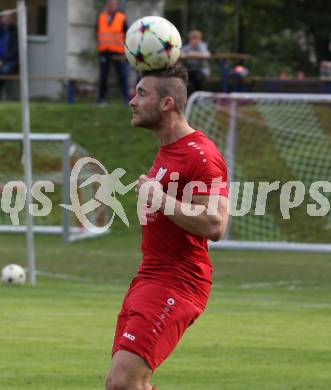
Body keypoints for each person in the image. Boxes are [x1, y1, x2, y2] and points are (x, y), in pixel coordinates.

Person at [105, 64, 229, 390]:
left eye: (142, 94)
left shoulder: (201, 155)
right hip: (150, 276)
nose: (132, 101)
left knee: (123, 381)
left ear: (166, 104)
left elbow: (216, 223)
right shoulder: (168, 151)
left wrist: (161, 200)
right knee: (126, 383)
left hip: (177, 282)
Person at [96, 0, 129, 105]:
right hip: (104, 52)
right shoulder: (101, 17)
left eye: (113, 4)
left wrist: (125, 52)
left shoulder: (122, 18)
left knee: (122, 76)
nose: (111, 6)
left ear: (116, 5)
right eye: (109, 4)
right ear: (106, 5)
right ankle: (101, 99)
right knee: (103, 77)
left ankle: (125, 99)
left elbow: (127, 35)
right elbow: (96, 32)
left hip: (118, 52)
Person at [0, 10, 19, 92]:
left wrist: (3, 61)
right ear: (1, 18)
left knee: (4, 71)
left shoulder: (14, 31)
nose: (8, 19)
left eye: (9, 18)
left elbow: (15, 49)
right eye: (6, 17)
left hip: (9, 60)